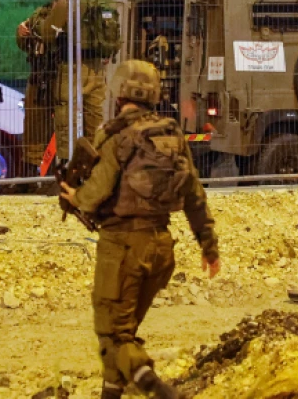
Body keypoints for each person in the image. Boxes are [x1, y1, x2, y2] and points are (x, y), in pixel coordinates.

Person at [59, 60, 220, 399]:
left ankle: (156, 386)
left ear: (119, 91)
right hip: (162, 247)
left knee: (114, 335)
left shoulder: (115, 134)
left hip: (123, 247)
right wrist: (209, 245)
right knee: (124, 332)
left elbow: (97, 192)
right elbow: (194, 192)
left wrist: (75, 196)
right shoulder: (172, 132)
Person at [42, 0, 119, 161]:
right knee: (94, 122)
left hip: (72, 68)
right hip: (98, 70)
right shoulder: (105, 2)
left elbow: (47, 35)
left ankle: (68, 170)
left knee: (66, 122)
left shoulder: (67, 4)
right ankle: (95, 169)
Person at [16, 0, 67, 184]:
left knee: (62, 127)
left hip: (62, 77)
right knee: (34, 126)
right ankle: (31, 174)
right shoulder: (40, 14)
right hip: (40, 76)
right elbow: (24, 41)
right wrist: (21, 34)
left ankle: (61, 172)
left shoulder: (74, 12)